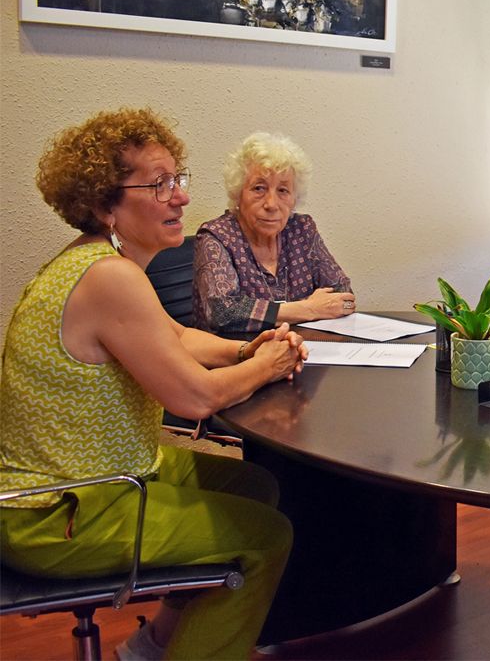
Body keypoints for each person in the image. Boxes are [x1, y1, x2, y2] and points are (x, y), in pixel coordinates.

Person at [0, 108, 305, 660]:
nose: (181, 198)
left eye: (178, 180)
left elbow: (179, 338)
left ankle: (155, 644)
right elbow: (194, 397)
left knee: (255, 486)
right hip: (58, 514)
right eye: (158, 184)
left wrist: (247, 349)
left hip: (96, 479)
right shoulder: (110, 278)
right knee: (267, 536)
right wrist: (272, 364)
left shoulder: (102, 263)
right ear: (101, 204)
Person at [193, 132, 354, 333]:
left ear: (294, 198)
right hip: (238, 359)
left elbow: (346, 298)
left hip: (304, 354)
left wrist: (340, 306)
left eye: (283, 191)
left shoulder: (302, 230)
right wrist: (309, 308)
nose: (271, 204)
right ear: (238, 194)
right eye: (259, 188)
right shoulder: (216, 237)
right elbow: (224, 313)